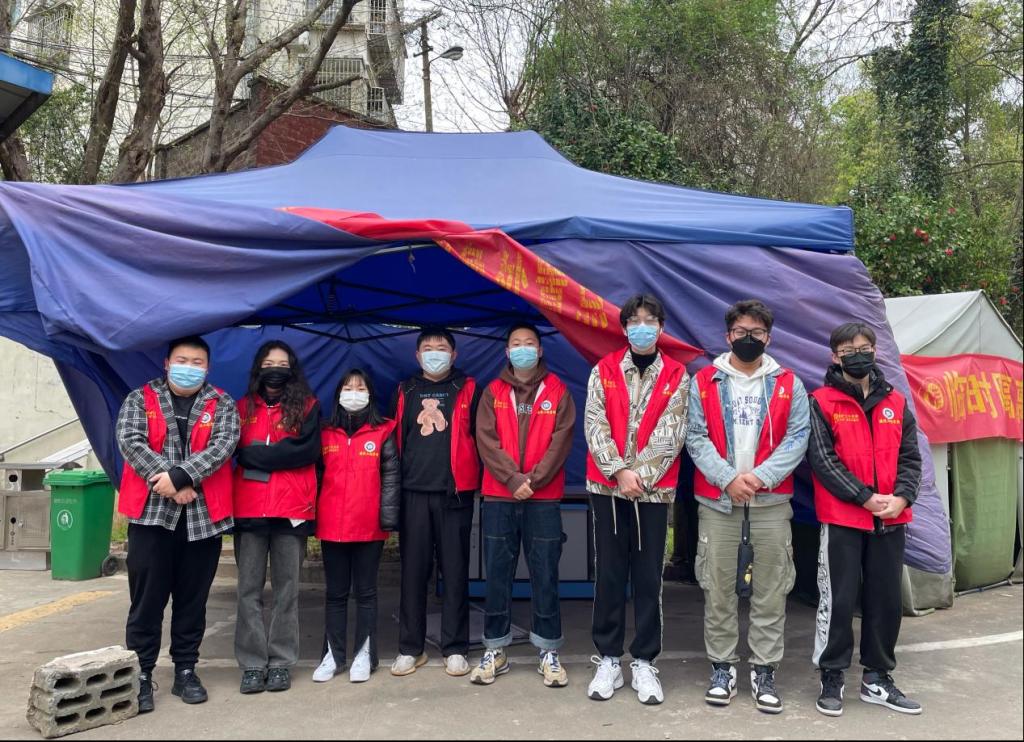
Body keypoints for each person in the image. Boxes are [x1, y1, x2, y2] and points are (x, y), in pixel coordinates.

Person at [686, 299, 809, 714]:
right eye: (741, 332)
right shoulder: (704, 381)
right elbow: (695, 436)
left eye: (757, 332)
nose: (748, 338)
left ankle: (763, 670)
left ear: (768, 338)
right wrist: (727, 479)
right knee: (718, 588)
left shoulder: (789, 383)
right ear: (728, 336)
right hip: (718, 503)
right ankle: (722, 668)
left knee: (771, 590)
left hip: (770, 503)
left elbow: (798, 437)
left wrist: (758, 478)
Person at [116, 335, 240, 713]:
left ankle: (186, 670)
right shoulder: (141, 398)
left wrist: (182, 476)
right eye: (182, 360)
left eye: (197, 362)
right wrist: (169, 482)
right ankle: (141, 673)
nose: (189, 367)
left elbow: (223, 446)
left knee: (193, 600)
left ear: (207, 367)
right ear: (167, 363)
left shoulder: (222, 403)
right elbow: (130, 441)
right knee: (147, 600)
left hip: (202, 520)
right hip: (151, 516)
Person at [807, 322, 923, 717]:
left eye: (864, 348)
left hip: (891, 518)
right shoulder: (821, 401)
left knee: (886, 600)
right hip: (843, 518)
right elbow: (823, 460)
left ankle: (877, 677)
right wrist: (864, 497)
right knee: (838, 600)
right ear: (834, 356)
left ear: (875, 351)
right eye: (848, 350)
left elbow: (911, 458)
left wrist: (902, 497)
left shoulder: (897, 403)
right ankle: (832, 675)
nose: (858, 355)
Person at [584, 294, 690, 705]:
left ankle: (644, 660)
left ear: (661, 328)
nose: (641, 327)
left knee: (648, 578)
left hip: (653, 491)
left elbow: (673, 431)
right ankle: (609, 658)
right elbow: (594, 423)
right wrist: (618, 471)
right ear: (624, 327)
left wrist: (640, 476)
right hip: (607, 489)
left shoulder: (677, 374)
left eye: (649, 321)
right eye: (634, 321)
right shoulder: (604, 369)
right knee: (609, 574)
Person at [470, 322, 576, 688]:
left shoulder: (558, 390)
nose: (523, 349)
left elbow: (562, 440)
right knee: (497, 575)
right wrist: (513, 480)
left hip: (543, 498)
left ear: (540, 350)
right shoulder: (493, 392)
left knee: (545, 574)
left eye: (529, 343)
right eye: (516, 343)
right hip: (499, 496)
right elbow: (486, 439)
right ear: (507, 351)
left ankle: (548, 650)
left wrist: (534, 480)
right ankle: (495, 649)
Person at [390, 327, 482, 678]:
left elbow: (481, 438)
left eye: (441, 348)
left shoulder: (468, 388)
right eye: (427, 348)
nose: (434, 353)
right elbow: (396, 439)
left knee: (455, 572)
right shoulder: (405, 390)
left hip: (454, 494)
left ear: (453, 354)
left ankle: (455, 647)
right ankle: (409, 648)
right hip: (412, 492)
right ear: (417, 356)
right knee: (413, 573)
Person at [232, 341, 320, 695]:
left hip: (291, 510)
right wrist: (279, 454)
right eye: (269, 363)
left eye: (283, 364)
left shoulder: (308, 406)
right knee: (248, 591)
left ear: (292, 369)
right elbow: (234, 450)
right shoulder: (240, 408)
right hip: (249, 509)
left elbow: (307, 451)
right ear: (258, 367)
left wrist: (257, 455)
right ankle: (253, 664)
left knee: (287, 592)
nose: (276, 369)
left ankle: (281, 662)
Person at [313, 368, 400, 684]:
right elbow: (315, 476)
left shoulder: (384, 430)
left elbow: (391, 477)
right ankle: (333, 655)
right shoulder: (325, 433)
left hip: (368, 526)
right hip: (331, 526)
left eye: (360, 387)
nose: (354, 393)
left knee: (366, 593)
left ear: (370, 394)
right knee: (335, 594)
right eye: (348, 387)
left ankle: (365, 654)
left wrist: (388, 518)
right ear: (338, 394)